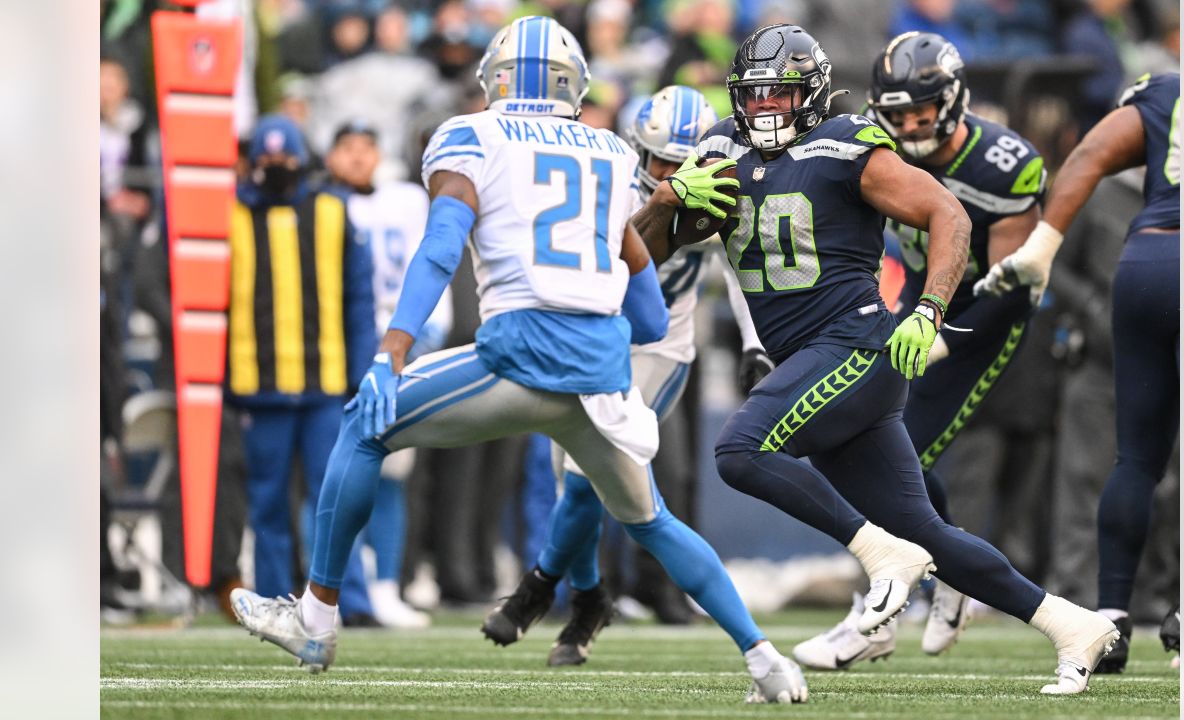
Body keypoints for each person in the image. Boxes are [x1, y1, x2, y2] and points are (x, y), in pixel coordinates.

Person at [229, 17, 808, 704]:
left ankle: (316, 620)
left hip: (518, 356)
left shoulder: (471, 135)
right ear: (573, 85)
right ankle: (768, 660)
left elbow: (442, 248)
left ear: (496, 77)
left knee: (362, 424)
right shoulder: (605, 152)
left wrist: (393, 350)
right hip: (600, 374)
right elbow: (649, 315)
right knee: (651, 521)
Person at [638, 23, 1119, 695]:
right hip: (816, 358)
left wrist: (928, 310)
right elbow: (644, 256)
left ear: (810, 95)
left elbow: (947, 213)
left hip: (858, 344)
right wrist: (663, 203)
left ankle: (880, 554)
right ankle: (1073, 625)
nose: (764, 110)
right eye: (754, 97)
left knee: (739, 451)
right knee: (928, 529)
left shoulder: (847, 146)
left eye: (779, 95)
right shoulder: (720, 147)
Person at [481, 85, 766, 666]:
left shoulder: (720, 194)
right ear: (639, 151)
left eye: (682, 163)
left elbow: (740, 271)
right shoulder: (608, 180)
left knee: (591, 474)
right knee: (574, 482)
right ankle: (587, 600)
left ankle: (541, 584)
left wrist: (754, 343)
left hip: (661, 349)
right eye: (660, 160)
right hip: (600, 342)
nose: (670, 172)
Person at [792, 30, 1049, 668]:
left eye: (921, 113)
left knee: (888, 458)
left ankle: (876, 617)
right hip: (915, 309)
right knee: (874, 450)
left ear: (955, 100)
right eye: (897, 114)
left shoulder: (1004, 163)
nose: (908, 126)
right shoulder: (874, 149)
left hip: (982, 314)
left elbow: (1013, 284)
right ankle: (953, 568)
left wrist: (939, 333)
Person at [977, 72, 1181, 672]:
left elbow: (1090, 153)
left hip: (1145, 262)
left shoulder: (1167, 91)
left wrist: (1041, 247)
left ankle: (1111, 615)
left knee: (1136, 460)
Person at [225, 114, 379, 625]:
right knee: (268, 504)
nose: (275, 169)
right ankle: (272, 601)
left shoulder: (331, 213)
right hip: (259, 386)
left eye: (284, 160)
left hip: (324, 384)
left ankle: (348, 601)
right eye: (266, 161)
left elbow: (359, 300)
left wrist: (360, 373)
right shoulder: (230, 215)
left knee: (335, 498)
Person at [323, 120, 455, 628]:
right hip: (341, 350)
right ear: (332, 156)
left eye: (367, 146)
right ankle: (338, 587)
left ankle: (384, 586)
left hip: (401, 345)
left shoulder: (406, 200)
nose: (358, 157)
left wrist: (424, 338)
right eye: (348, 147)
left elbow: (434, 264)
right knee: (338, 470)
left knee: (394, 472)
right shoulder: (322, 204)